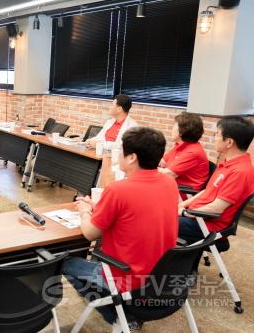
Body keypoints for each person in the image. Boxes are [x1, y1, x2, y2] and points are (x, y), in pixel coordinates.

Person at [63, 127, 178, 330]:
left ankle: (120, 315)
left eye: (121, 150)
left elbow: (89, 233)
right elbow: (137, 212)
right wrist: (98, 208)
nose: (118, 154)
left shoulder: (119, 190)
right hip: (162, 276)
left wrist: (84, 210)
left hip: (127, 278)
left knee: (65, 263)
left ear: (132, 157)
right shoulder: (169, 182)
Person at [178, 116, 254, 244]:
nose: (215, 138)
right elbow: (207, 191)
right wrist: (181, 205)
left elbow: (215, 208)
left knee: (152, 220)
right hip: (197, 217)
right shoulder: (228, 164)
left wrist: (184, 212)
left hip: (206, 225)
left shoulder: (240, 172)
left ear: (229, 142)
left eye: (217, 134)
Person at [158, 112, 209, 197]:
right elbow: (162, 162)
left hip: (184, 193)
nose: (172, 129)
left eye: (174, 126)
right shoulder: (180, 146)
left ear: (181, 132)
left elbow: (168, 174)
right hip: (173, 187)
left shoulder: (193, 152)